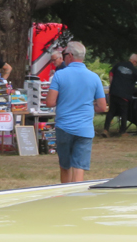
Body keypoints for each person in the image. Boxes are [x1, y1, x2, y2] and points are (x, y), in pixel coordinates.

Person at [45, 41, 107, 183]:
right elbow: (103, 107)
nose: (64, 57)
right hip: (84, 128)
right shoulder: (94, 77)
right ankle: (76, 198)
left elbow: (50, 102)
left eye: (64, 54)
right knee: (79, 166)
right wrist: (89, 108)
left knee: (65, 165)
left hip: (64, 126)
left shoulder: (60, 75)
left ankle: (65, 196)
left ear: (70, 56)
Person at [103, 54, 137, 137]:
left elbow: (111, 74)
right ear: (134, 62)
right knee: (124, 113)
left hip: (114, 92)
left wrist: (112, 85)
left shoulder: (118, 65)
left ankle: (105, 130)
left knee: (111, 111)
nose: (136, 64)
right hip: (124, 95)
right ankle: (122, 131)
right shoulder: (134, 70)